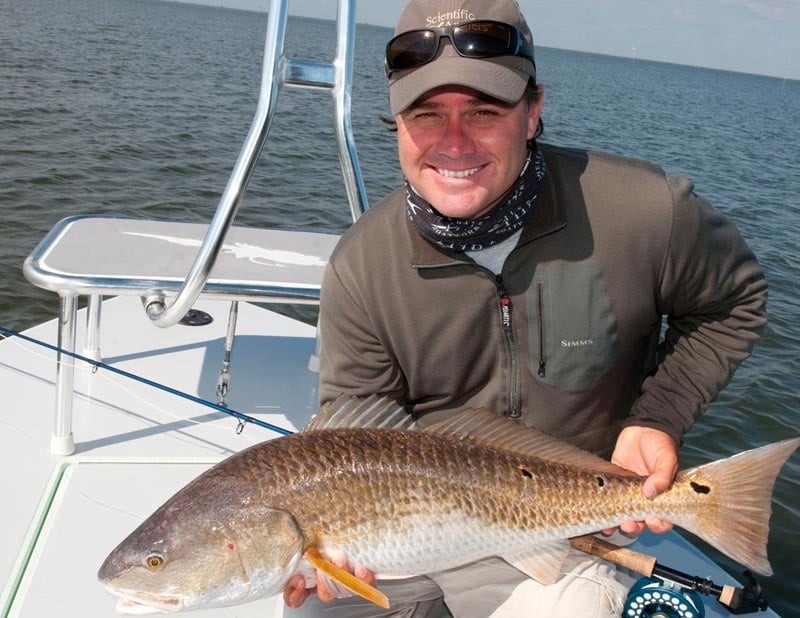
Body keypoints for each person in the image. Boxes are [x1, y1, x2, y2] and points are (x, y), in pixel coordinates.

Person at [284, 0, 768, 615]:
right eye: (426, 114)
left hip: (569, 528)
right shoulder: (360, 267)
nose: (454, 143)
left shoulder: (647, 213)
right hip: (399, 531)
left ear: (534, 110)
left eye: (484, 112)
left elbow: (736, 300)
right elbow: (358, 431)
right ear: (397, 122)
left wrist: (660, 416)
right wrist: (331, 545)